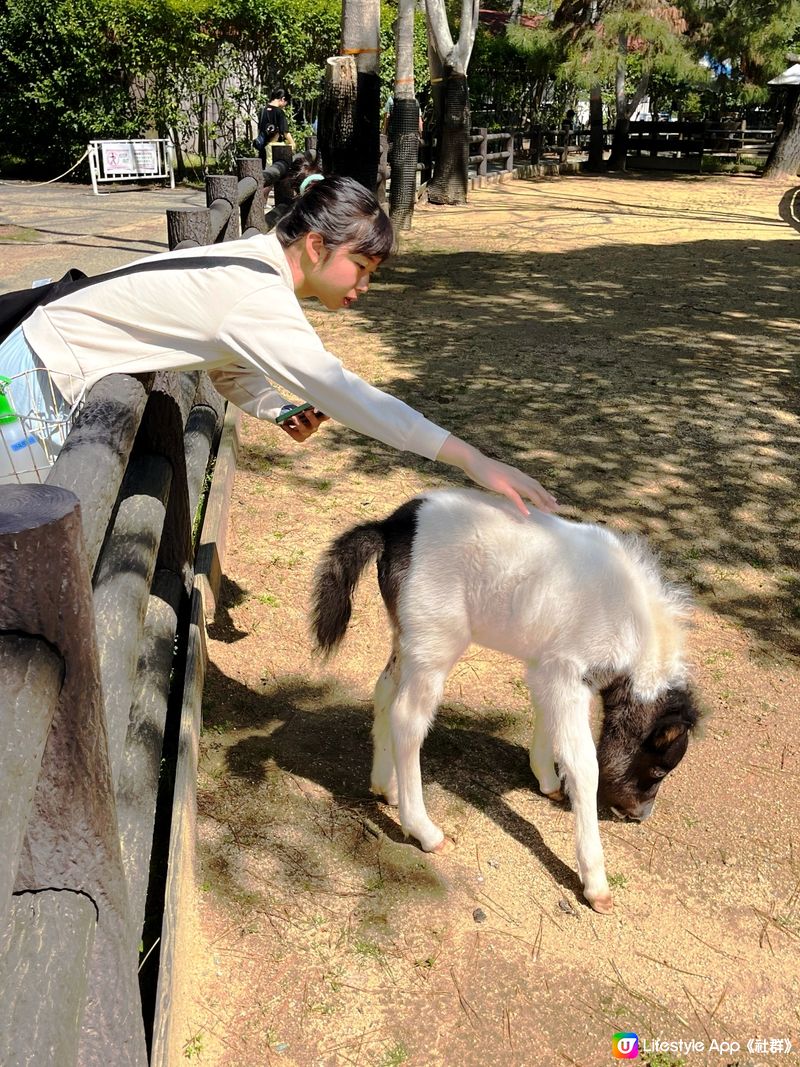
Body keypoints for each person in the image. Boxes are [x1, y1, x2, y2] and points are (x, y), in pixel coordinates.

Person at [0, 176, 557, 516]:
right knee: (21, 530)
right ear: (316, 246)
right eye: (359, 268)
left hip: (33, 363)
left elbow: (228, 367)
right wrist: (470, 458)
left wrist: (280, 408)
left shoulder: (252, 260)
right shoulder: (257, 294)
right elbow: (345, 392)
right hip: (29, 386)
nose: (362, 288)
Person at [256, 87, 295, 168]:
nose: (285, 106)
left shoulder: (263, 110)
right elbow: (285, 131)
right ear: (283, 99)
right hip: (275, 149)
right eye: (286, 103)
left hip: (263, 148)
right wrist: (293, 143)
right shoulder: (279, 112)